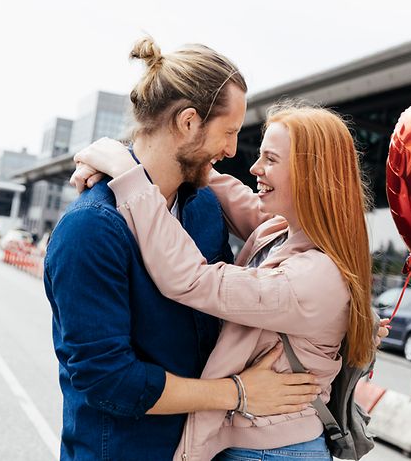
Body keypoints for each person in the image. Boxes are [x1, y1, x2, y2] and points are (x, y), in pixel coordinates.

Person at [45, 37, 320, 461]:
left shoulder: (204, 206)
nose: (231, 150)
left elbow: (253, 288)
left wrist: (348, 314)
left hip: (196, 449)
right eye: (228, 132)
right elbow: (108, 379)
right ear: (189, 122)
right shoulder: (91, 229)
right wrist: (238, 393)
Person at [73, 102, 378, 461]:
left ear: (310, 174)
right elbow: (220, 185)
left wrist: (127, 173)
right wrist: (134, 154)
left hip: (275, 452)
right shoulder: (280, 229)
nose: (253, 168)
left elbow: (190, 279)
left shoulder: (315, 278)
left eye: (271, 159)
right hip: (257, 442)